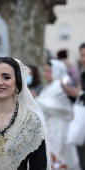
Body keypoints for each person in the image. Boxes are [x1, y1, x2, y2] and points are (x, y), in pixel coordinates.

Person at [36, 59, 80, 170]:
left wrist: (36, 100)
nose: (45, 74)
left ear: (55, 71)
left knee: (62, 157)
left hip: (60, 127)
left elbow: (58, 107)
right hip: (50, 128)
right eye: (44, 71)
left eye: (48, 71)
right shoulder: (48, 86)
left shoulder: (60, 86)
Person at [62, 42, 85, 170]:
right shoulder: (82, 75)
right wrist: (70, 92)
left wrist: (80, 93)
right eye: (82, 55)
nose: (83, 59)